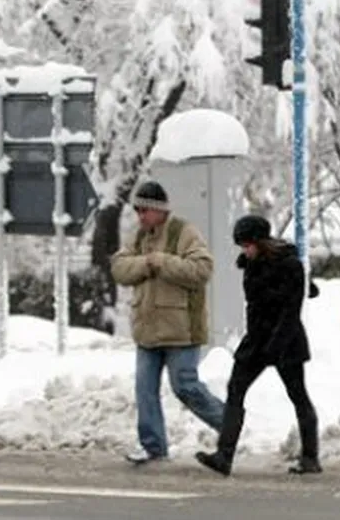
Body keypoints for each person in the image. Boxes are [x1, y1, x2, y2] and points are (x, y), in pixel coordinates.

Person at [195, 215, 321, 477]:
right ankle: (224, 456)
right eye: (242, 246)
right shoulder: (251, 265)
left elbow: (290, 311)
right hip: (256, 339)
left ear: (262, 242)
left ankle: (310, 457)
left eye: (248, 245)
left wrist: (275, 346)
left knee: (297, 395)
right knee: (236, 388)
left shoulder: (289, 265)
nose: (245, 250)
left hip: (285, 341)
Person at [110, 181, 225, 465]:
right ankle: (152, 446)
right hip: (147, 329)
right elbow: (120, 269)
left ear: (160, 210)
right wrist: (146, 264)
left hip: (181, 328)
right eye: (137, 210)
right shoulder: (138, 237)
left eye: (145, 210)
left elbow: (201, 269)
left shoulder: (184, 233)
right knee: (144, 389)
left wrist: (163, 262)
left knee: (184, 385)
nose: (140, 216)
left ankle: (228, 423)